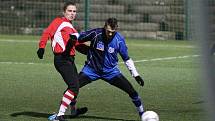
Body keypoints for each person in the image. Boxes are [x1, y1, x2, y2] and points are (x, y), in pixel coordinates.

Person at [71, 17, 145, 120]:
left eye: (113, 32)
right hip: (91, 70)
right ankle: (73, 110)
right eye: (108, 31)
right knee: (72, 88)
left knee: (132, 92)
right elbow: (79, 36)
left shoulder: (119, 40)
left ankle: (142, 114)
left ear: (117, 29)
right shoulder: (96, 33)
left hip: (111, 72)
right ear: (104, 26)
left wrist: (136, 75)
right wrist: (72, 36)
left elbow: (126, 59)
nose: (110, 34)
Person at [36, 1, 87, 121]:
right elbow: (47, 33)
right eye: (70, 11)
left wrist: (93, 52)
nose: (72, 13)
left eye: (74, 11)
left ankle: (73, 111)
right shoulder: (58, 22)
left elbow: (79, 46)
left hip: (70, 60)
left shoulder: (72, 29)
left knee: (76, 85)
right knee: (74, 86)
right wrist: (41, 47)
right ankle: (59, 115)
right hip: (61, 59)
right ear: (64, 12)